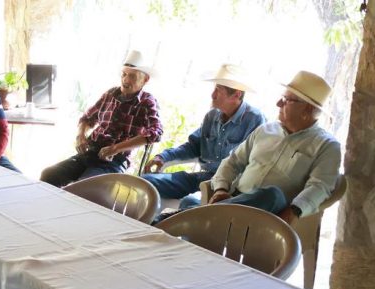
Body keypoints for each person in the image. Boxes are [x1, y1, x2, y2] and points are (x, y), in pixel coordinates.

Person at [209, 71, 341, 225]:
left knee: (272, 194)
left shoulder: (327, 146)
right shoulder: (265, 130)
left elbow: (320, 186)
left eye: (286, 100)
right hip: (236, 199)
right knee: (187, 201)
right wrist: (220, 189)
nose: (278, 103)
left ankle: (202, 215)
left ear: (308, 110)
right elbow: (233, 161)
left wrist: (294, 210)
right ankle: (208, 215)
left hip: (271, 212)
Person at [143, 64, 266, 209]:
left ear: (237, 94)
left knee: (190, 203)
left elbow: (253, 164)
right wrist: (163, 157)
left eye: (218, 91)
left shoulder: (255, 120)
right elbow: (192, 147)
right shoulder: (212, 115)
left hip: (228, 186)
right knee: (145, 182)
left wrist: (223, 186)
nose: (212, 95)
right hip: (203, 176)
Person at [40, 50, 162, 187]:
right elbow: (87, 118)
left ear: (145, 80)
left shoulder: (147, 102)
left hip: (115, 160)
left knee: (83, 187)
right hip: (90, 152)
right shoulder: (110, 94)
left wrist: (115, 148)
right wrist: (80, 135)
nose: (125, 80)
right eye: (124, 74)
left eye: (132, 76)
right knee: (49, 174)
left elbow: (155, 133)